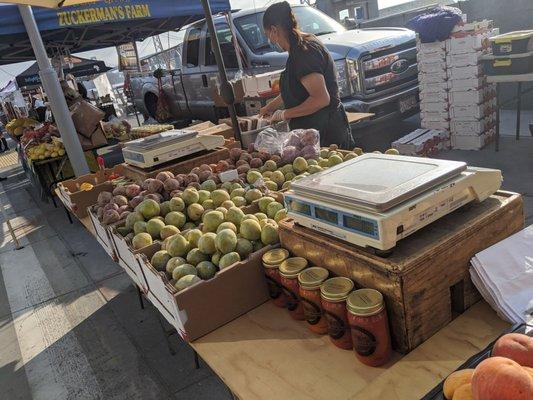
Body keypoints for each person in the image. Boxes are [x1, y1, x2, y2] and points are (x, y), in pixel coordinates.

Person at [259, 1, 354, 149]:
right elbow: (296, 90)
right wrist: (270, 107)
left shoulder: (304, 53)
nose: (270, 40)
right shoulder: (297, 49)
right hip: (312, 134)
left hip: (326, 134)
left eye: (268, 35)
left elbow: (321, 99)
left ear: (274, 30)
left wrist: (284, 114)